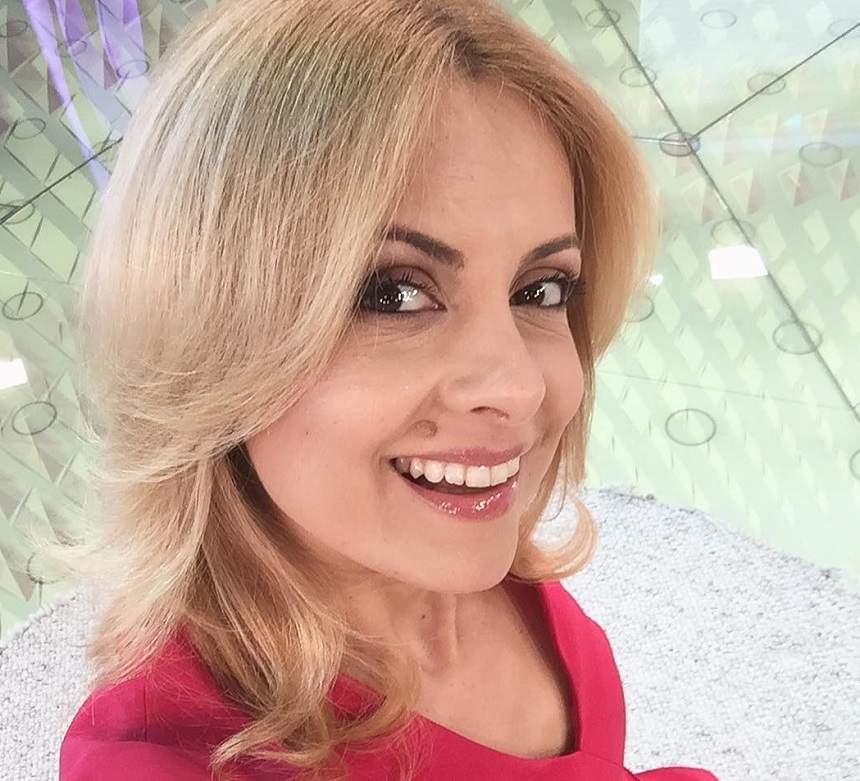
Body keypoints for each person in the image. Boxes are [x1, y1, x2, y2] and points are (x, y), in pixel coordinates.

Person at [46, 1, 717, 779]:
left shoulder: (462, 555)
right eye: (393, 293)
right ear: (206, 333)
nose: (519, 387)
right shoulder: (163, 758)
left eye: (540, 289)